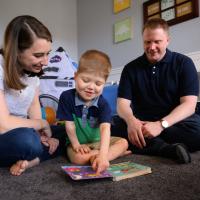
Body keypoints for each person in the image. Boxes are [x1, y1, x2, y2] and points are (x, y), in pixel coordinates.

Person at [112, 18, 200, 164]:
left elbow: (189, 105)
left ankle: (151, 144)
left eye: (157, 41)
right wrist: (132, 121)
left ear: (167, 41)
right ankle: (167, 149)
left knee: (197, 132)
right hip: (141, 122)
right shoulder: (130, 68)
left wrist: (160, 125)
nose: (152, 47)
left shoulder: (184, 63)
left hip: (174, 122)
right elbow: (122, 105)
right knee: (111, 127)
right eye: (147, 42)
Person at [0, 15, 64, 176]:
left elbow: (34, 107)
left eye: (47, 53)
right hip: (6, 133)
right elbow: (3, 124)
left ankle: (32, 160)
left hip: (25, 129)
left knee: (69, 131)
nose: (46, 61)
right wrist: (41, 124)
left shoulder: (33, 74)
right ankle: (37, 154)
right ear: (16, 51)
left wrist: (43, 135)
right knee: (28, 141)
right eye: (38, 55)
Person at [57, 50, 129, 174]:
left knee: (123, 142)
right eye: (85, 80)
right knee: (79, 159)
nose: (91, 87)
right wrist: (76, 145)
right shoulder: (66, 97)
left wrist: (102, 153)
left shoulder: (103, 104)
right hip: (77, 143)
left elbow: (105, 129)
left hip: (98, 142)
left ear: (104, 83)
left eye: (98, 83)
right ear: (75, 76)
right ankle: (111, 155)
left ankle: (102, 157)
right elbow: (69, 125)